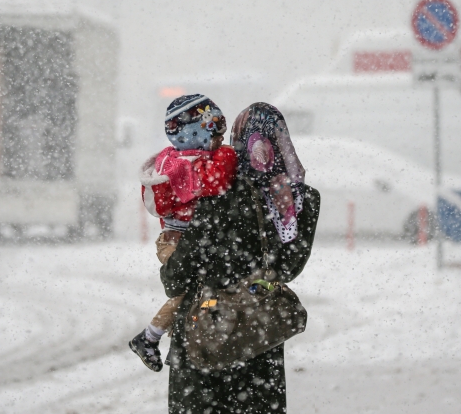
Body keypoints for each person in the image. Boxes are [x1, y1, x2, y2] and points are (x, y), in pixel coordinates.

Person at [160, 102, 320, 413]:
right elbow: (287, 269)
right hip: (258, 344)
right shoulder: (298, 201)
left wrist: (170, 251)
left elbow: (176, 279)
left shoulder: (214, 193)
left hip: (204, 341)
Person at [129, 94, 238, 372]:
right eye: (215, 133)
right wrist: (226, 155)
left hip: (177, 240)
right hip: (177, 243)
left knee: (196, 292)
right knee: (188, 291)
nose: (219, 141)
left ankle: (157, 338)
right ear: (195, 131)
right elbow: (216, 184)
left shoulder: (173, 158)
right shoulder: (186, 164)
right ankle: (149, 337)